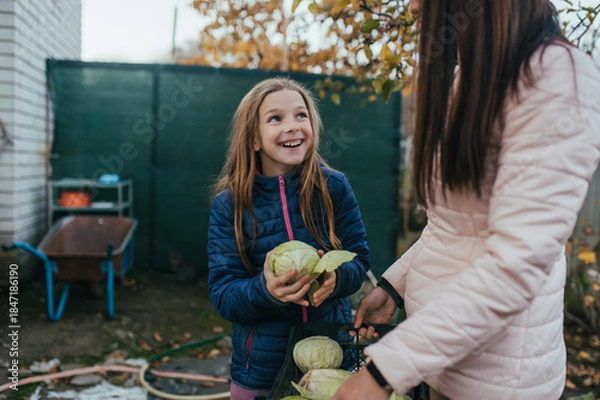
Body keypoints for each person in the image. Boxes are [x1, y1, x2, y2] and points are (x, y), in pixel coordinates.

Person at [333, 0, 600, 399]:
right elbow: (454, 226)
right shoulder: (466, 81)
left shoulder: (557, 79)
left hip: (497, 381)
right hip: (440, 365)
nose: (412, 6)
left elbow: (518, 263)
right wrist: (394, 286)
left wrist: (383, 371)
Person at [207, 77, 370, 399]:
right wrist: (264, 290)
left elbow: (359, 259)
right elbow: (223, 292)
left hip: (328, 360)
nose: (293, 126)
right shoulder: (230, 204)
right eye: (275, 118)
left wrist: (335, 279)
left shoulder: (333, 187)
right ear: (253, 138)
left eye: (301, 115)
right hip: (261, 369)